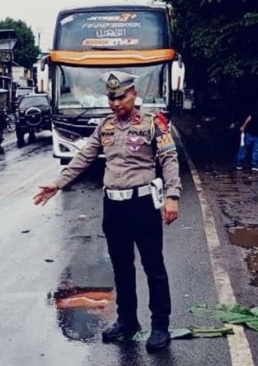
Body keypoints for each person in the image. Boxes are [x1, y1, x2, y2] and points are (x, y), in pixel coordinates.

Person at [33, 71, 182, 352]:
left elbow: (169, 159)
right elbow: (84, 156)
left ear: (134, 94)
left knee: (154, 267)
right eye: (111, 98)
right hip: (113, 207)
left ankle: (160, 325)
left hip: (143, 204)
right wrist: (58, 183)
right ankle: (127, 320)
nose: (115, 103)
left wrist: (172, 195)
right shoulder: (105, 127)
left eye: (121, 97)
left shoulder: (154, 124)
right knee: (121, 267)